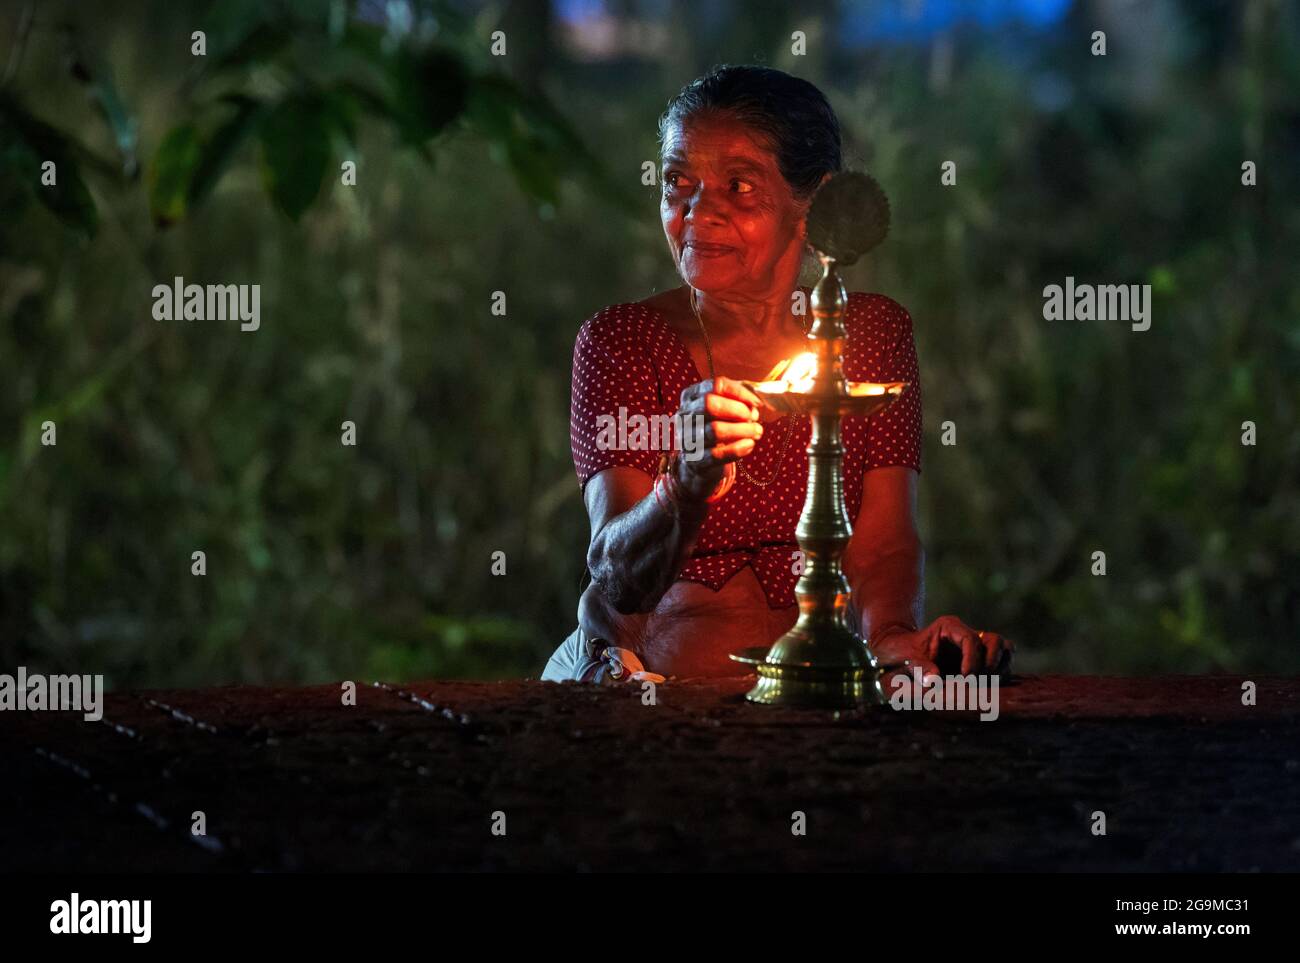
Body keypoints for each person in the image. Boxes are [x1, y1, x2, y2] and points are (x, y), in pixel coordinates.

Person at [541, 65, 1013, 685]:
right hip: (646, 688)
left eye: (738, 186)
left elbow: (885, 541)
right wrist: (683, 485)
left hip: (816, 690)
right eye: (678, 182)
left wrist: (896, 637)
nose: (697, 213)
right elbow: (617, 576)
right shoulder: (624, 343)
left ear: (812, 201)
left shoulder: (867, 337)